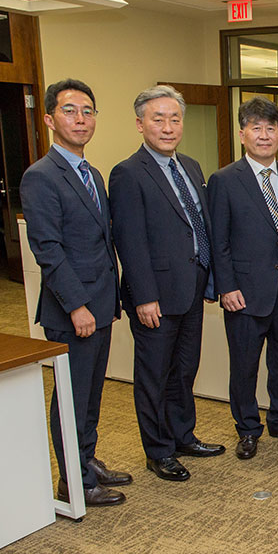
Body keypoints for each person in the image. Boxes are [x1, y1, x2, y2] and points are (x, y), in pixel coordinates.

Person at [21, 79, 131, 507]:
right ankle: (73, 480)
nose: (80, 119)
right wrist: (79, 306)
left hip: (101, 303)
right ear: (50, 119)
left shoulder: (91, 172)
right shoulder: (41, 176)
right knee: (70, 397)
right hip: (72, 310)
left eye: (87, 111)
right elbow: (48, 250)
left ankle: (86, 460)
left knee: (91, 392)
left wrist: (108, 299)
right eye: (70, 111)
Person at [109, 85, 225, 482]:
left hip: (191, 288)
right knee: (154, 375)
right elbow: (130, 239)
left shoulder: (190, 166)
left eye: (175, 118)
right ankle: (158, 451)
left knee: (184, 370)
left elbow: (199, 226)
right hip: (154, 295)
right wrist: (143, 296)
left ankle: (182, 436)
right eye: (158, 119)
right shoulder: (127, 173)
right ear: (140, 124)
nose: (168, 126)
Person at [208, 97, 278, 461]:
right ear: (242, 134)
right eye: (256, 128)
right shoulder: (223, 180)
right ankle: (248, 428)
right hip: (244, 291)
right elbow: (217, 240)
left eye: (270, 128)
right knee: (245, 365)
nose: (264, 135)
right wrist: (226, 287)